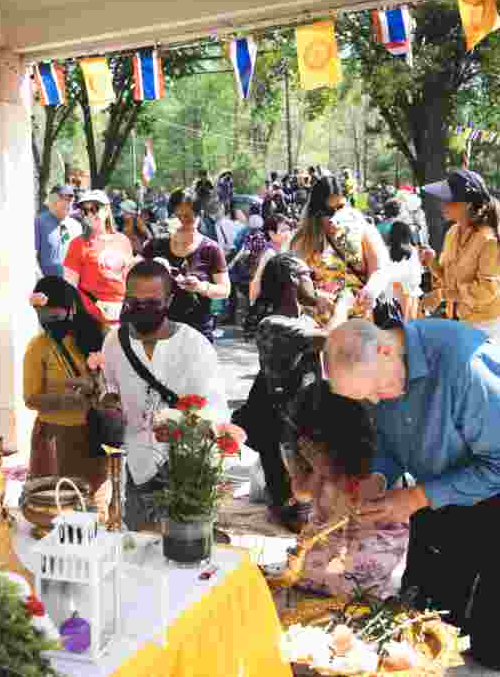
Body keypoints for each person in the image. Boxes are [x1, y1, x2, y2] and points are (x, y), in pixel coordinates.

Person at [324, 319, 500, 670]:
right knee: (424, 623)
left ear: (384, 349)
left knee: (499, 649)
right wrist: (379, 479)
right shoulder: (381, 372)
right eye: (364, 397)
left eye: (374, 390)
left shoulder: (463, 363)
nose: (373, 400)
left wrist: (415, 499)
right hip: (444, 490)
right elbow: (388, 439)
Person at [101, 260, 227, 531]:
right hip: (138, 465)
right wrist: (107, 404)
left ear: (169, 301)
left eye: (152, 303)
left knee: (186, 548)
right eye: (134, 302)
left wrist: (182, 427)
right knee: (139, 546)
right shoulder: (114, 342)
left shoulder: (194, 346)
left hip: (188, 467)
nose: (142, 310)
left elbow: (216, 410)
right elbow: (109, 388)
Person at [245, 253, 351, 531]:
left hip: (311, 428)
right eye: (310, 276)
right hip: (287, 436)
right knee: (300, 519)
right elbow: (330, 340)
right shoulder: (272, 324)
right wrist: (342, 306)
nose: (315, 284)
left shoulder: (304, 318)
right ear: (293, 279)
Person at [284, 380, 409, 599]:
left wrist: (328, 469)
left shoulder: (373, 464)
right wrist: (317, 469)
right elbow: (302, 493)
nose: (311, 448)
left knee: (345, 579)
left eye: (320, 444)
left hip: (370, 535)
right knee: (304, 568)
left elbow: (355, 509)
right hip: (330, 534)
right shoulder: (312, 458)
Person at [23, 276, 110, 515]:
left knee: (93, 508)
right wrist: (66, 400)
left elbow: (114, 384)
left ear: (71, 309)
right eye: (42, 317)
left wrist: (94, 387)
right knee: (52, 511)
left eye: (54, 316)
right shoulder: (38, 346)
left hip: (92, 435)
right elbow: (30, 398)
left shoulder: (100, 336)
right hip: (53, 438)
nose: (47, 323)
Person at [420, 169, 500, 357]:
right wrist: (432, 264)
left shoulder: (490, 240)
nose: (442, 204)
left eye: (449, 199)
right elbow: (451, 279)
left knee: (485, 381)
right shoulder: (453, 233)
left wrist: (442, 295)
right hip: (470, 319)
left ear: (467, 204)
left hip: (498, 323)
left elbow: (486, 291)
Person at [290, 175, 390, 328]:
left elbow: (380, 269)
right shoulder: (303, 240)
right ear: (316, 211)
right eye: (328, 211)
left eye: (341, 207)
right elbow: (293, 281)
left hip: (359, 327)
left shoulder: (363, 228)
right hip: (318, 332)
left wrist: (371, 289)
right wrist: (315, 296)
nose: (335, 217)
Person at [142, 188, 230, 342]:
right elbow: (133, 275)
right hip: (161, 331)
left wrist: (201, 287)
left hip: (197, 333)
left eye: (188, 217)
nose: (182, 221)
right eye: (177, 216)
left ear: (199, 215)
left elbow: (224, 289)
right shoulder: (156, 245)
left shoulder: (211, 249)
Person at [63, 189, 134, 329]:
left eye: (94, 209)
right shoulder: (77, 244)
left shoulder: (123, 240)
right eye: (84, 211)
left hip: (122, 318)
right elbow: (69, 288)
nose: (89, 214)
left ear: (107, 210)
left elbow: (129, 279)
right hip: (91, 320)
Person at [247, 214, 295, 305]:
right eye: (283, 230)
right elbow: (256, 279)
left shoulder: (284, 249)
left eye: (289, 229)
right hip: (269, 301)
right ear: (271, 234)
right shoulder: (269, 254)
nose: (288, 233)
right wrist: (253, 303)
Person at [35, 184, 81, 278]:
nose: (69, 203)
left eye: (71, 199)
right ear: (53, 200)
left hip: (70, 284)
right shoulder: (39, 222)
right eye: (65, 199)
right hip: (46, 283)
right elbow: (31, 256)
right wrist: (40, 279)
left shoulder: (76, 226)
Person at [384, 221, 424, 322]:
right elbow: (416, 274)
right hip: (411, 290)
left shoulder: (386, 251)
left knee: (400, 322)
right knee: (412, 322)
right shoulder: (412, 250)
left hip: (393, 291)